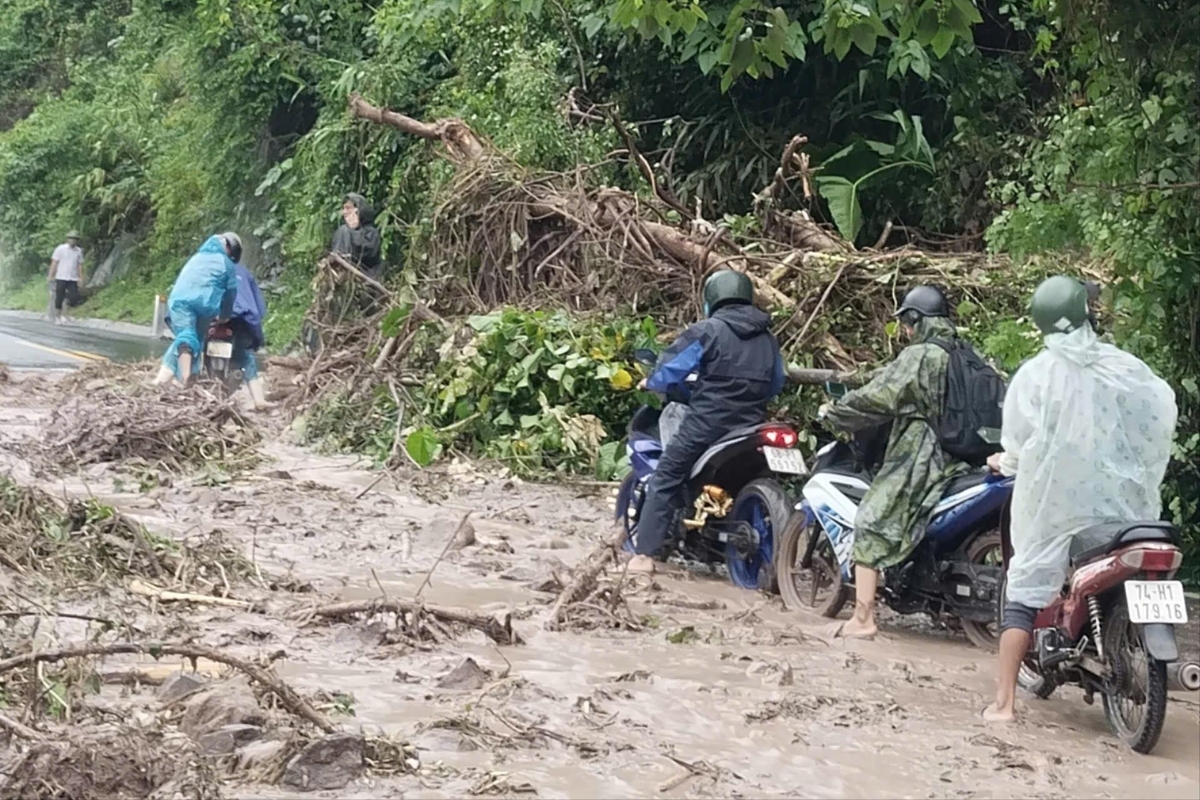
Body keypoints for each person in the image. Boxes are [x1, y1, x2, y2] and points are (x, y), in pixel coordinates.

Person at [983, 275, 1176, 723]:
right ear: (1088, 313)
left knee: (1023, 593)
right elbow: (1161, 411)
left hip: (1055, 511)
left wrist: (1005, 462)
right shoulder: (1126, 367)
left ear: (1042, 322)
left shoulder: (1036, 375)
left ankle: (1003, 704)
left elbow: (1018, 445)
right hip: (1125, 512)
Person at [820, 286, 973, 639]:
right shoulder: (963, 352)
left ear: (916, 320)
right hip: (963, 456)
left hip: (922, 453)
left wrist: (838, 413)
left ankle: (863, 618)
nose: (904, 331)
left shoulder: (922, 355)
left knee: (872, 520)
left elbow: (880, 395)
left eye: (906, 323)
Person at [627, 270, 785, 574]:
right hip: (752, 425)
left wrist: (652, 381)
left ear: (712, 298)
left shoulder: (707, 330)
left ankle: (644, 557)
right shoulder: (768, 338)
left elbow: (671, 369)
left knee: (666, 478)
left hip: (708, 423)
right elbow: (777, 381)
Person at [153, 233, 241, 386]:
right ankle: (186, 377)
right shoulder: (226, 263)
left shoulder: (196, 258)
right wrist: (225, 316)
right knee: (192, 339)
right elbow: (231, 294)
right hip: (205, 305)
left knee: (187, 338)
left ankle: (163, 379)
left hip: (181, 302)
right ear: (228, 248)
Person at [230, 259, 271, 410]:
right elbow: (257, 308)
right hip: (238, 322)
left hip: (211, 320)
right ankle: (259, 400)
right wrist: (257, 339)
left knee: (191, 348)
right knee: (247, 359)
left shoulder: (208, 267)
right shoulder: (244, 273)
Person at [330, 193, 382, 279]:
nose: (344, 212)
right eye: (343, 208)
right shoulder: (342, 232)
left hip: (366, 276)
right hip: (343, 277)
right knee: (342, 230)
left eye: (348, 208)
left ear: (358, 210)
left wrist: (352, 231)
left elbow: (368, 254)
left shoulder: (372, 232)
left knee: (344, 230)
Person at [47, 232, 85, 325]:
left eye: (75, 239)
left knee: (73, 297)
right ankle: (57, 316)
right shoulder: (61, 249)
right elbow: (54, 262)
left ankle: (65, 314)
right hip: (61, 277)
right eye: (71, 238)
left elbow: (79, 265)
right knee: (59, 297)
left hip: (72, 278)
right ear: (67, 239)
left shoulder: (78, 251)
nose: (73, 240)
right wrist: (51, 275)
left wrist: (80, 277)